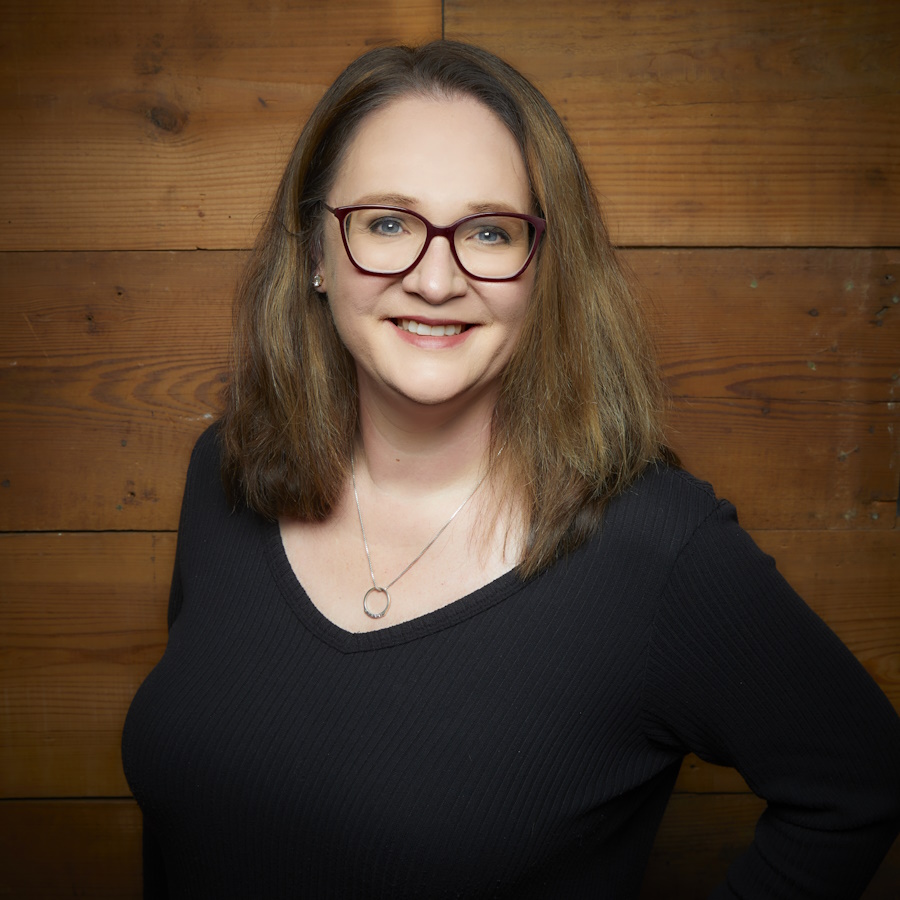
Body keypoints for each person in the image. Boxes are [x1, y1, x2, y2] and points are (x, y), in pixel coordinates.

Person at [122, 40, 900, 898]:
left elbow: (858, 786)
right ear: (315, 250)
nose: (435, 279)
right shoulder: (225, 471)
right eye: (387, 223)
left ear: (544, 269)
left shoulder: (659, 548)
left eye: (489, 232)